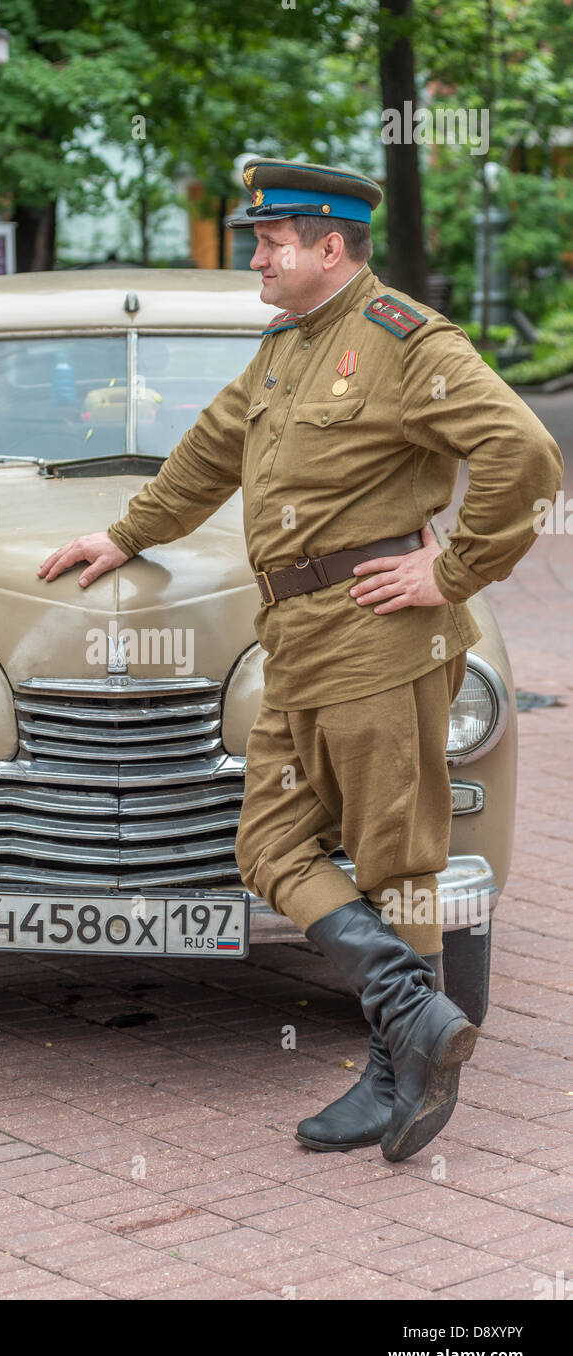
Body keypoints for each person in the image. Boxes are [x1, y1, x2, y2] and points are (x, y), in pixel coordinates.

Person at [37, 157, 564, 1161]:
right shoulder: (288, 344)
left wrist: (453, 572)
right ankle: (417, 1017)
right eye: (255, 238)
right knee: (270, 850)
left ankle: (393, 1076)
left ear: (334, 246)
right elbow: (210, 446)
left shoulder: (407, 342)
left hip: (381, 639)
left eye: (275, 240)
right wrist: (127, 533)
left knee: (398, 865)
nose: (258, 255)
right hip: (298, 641)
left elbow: (526, 453)